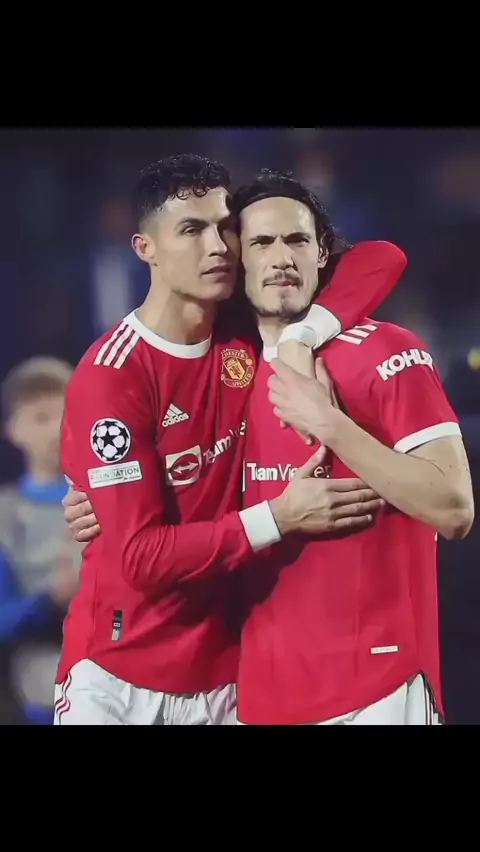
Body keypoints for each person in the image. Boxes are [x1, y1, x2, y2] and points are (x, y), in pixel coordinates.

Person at [57, 154, 406, 725]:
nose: (218, 246)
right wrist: (280, 517)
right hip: (117, 676)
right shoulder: (113, 375)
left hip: (223, 677)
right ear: (145, 248)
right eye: (191, 230)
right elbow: (140, 558)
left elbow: (382, 258)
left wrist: (302, 337)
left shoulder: (244, 331)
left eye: (225, 228)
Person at [233, 170, 474, 724]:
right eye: (261, 243)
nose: (281, 258)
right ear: (236, 258)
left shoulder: (388, 350)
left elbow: (454, 507)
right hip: (260, 697)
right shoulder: (224, 373)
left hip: (379, 689)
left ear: (322, 253)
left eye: (297, 240)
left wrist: (330, 423)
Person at [0, 357, 80, 724]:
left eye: (65, 415)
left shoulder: (109, 496)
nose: (56, 430)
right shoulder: (7, 516)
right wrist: (50, 600)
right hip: (42, 674)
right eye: (42, 418)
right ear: (14, 429)